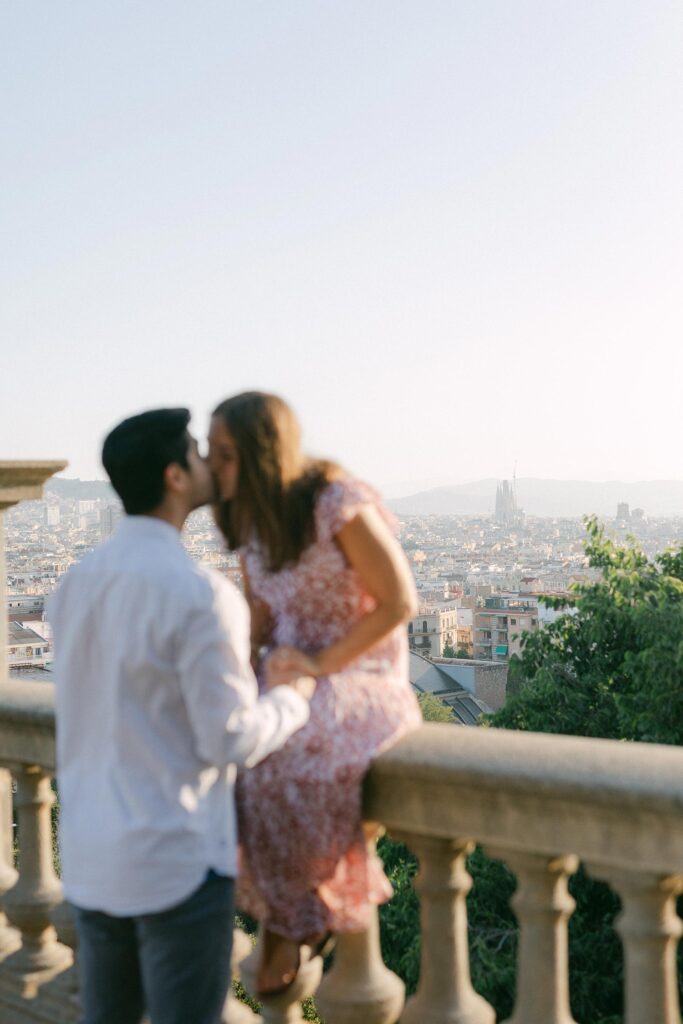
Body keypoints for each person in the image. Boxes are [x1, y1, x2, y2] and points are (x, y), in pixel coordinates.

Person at [49, 408, 315, 1024]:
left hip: (91, 856)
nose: (207, 463)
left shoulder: (74, 585)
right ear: (175, 477)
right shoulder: (200, 594)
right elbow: (230, 737)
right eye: (197, 453)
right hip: (175, 864)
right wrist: (292, 699)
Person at [208, 391, 422, 997]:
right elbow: (259, 612)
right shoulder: (249, 519)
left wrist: (321, 664)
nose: (214, 465)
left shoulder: (336, 502)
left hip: (359, 672)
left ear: (258, 452)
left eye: (224, 454)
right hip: (289, 667)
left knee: (285, 751)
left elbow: (400, 602)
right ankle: (282, 907)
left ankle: (297, 914)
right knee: (223, 739)